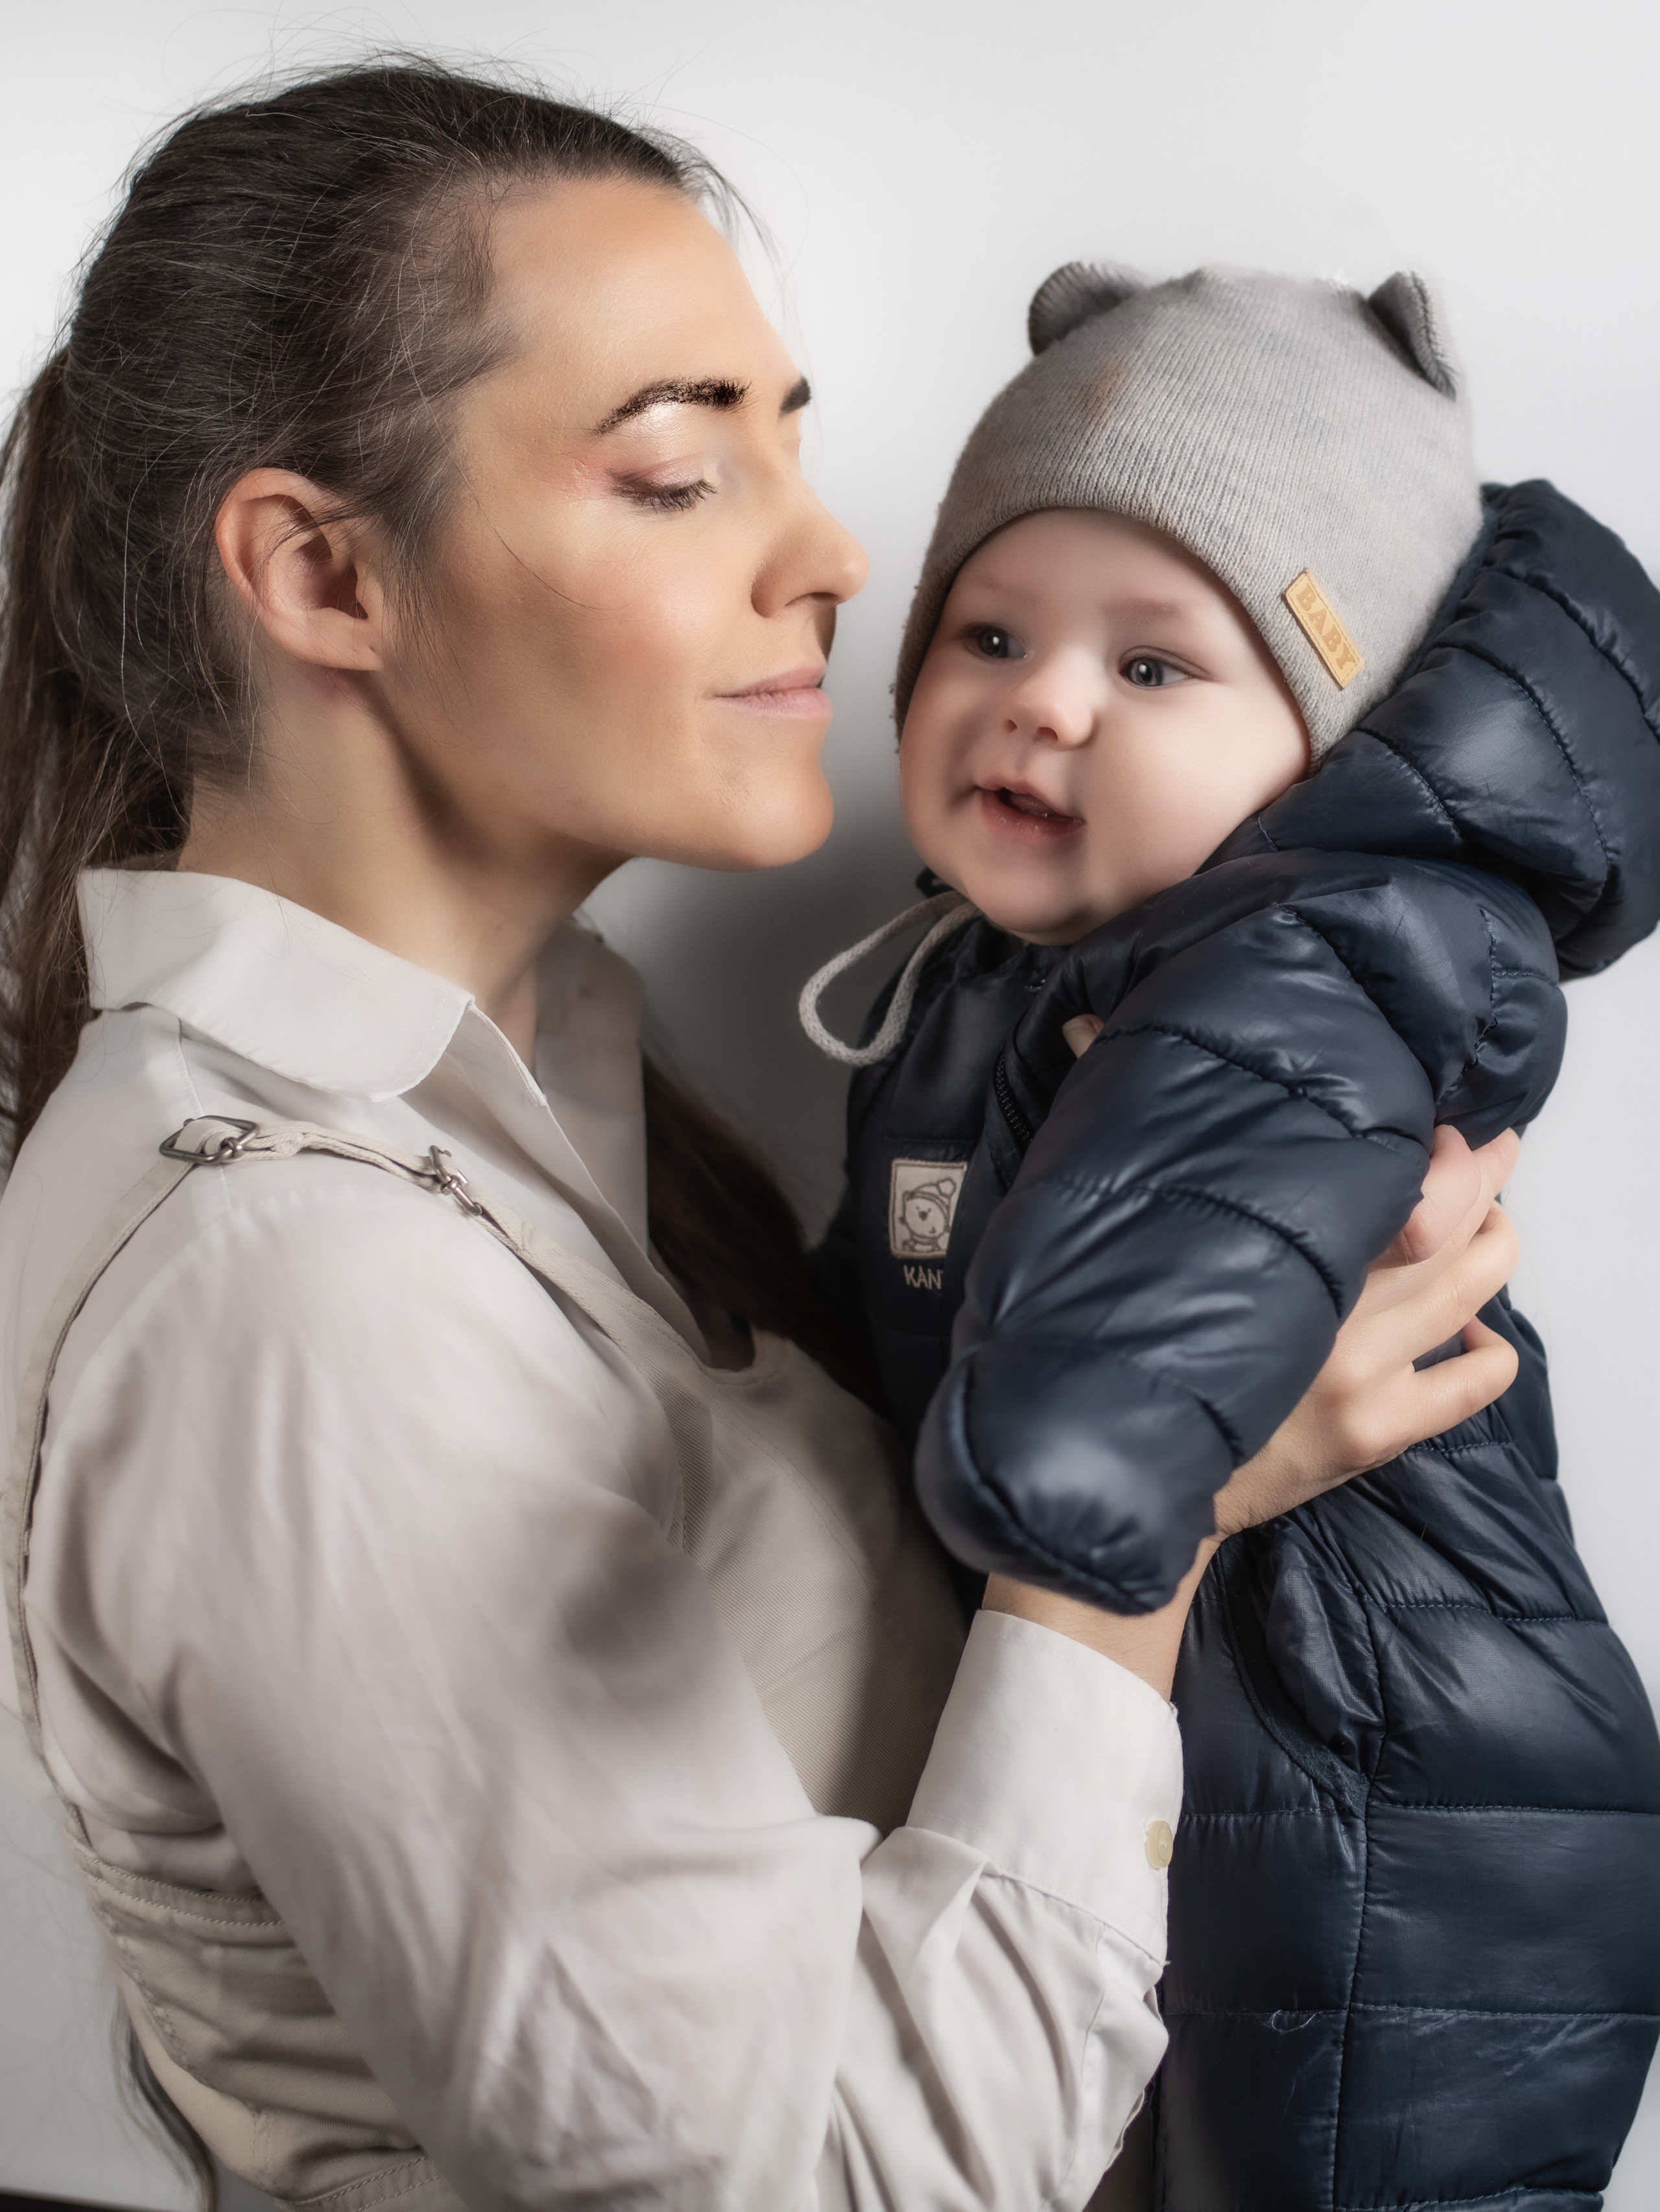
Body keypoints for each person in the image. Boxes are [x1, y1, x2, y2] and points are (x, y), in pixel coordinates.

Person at [0, 73, 1527, 2211]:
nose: (829, 554)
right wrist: (1157, 1507)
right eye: (678, 470)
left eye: (794, 446)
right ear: (325, 573)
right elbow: (821, 2180)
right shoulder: (293, 1286)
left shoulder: (556, 1114)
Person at [801, 263, 1660, 2206]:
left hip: (1400, 1789)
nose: (1042, 699)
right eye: (991, 630)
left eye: (1154, 664)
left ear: (1327, 738)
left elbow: (1180, 1251)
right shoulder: (980, 977)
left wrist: (1068, 1464)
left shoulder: (1307, 958)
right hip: (1220, 1743)